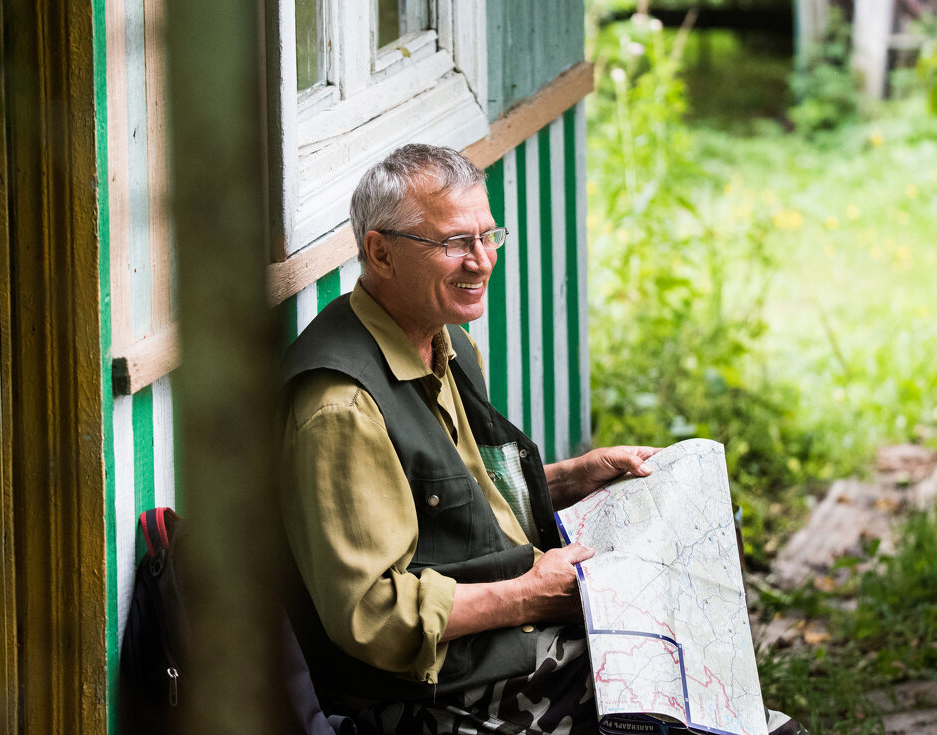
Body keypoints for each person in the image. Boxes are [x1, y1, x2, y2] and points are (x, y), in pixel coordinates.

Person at [280, 144, 807, 735]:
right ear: (380, 252)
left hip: (503, 641)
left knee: (717, 686)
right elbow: (372, 615)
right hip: (430, 693)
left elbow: (460, 499)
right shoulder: (341, 407)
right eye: (455, 242)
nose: (480, 262)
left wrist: (573, 478)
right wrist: (529, 595)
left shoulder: (442, 343)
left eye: (488, 237)